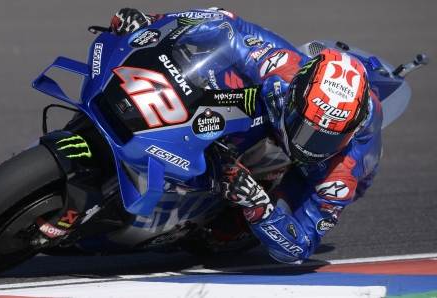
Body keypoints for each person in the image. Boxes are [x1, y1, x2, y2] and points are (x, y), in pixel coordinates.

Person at [110, 7, 382, 264]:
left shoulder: (342, 173)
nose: (307, 145)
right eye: (304, 128)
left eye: (325, 138)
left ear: (350, 133)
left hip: (311, 174)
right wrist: (152, 23)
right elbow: (225, 25)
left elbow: (300, 247)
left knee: (228, 229)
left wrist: (258, 206)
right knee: (222, 72)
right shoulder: (282, 70)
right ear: (293, 96)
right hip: (275, 109)